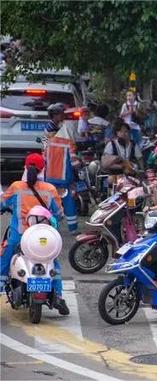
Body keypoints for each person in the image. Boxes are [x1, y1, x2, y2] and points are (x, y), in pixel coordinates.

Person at [0, 153, 69, 315]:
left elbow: (3, 203)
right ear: (42, 169)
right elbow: (59, 213)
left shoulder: (16, 187)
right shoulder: (50, 189)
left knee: (4, 261)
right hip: (44, 238)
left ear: (25, 167)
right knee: (54, 264)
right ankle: (58, 295)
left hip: (20, 237)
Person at [44, 104, 79, 234]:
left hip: (50, 177)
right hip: (64, 178)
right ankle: (73, 229)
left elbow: (44, 157)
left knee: (52, 202)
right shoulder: (68, 143)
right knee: (68, 201)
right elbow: (75, 163)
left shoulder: (48, 140)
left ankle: (52, 227)